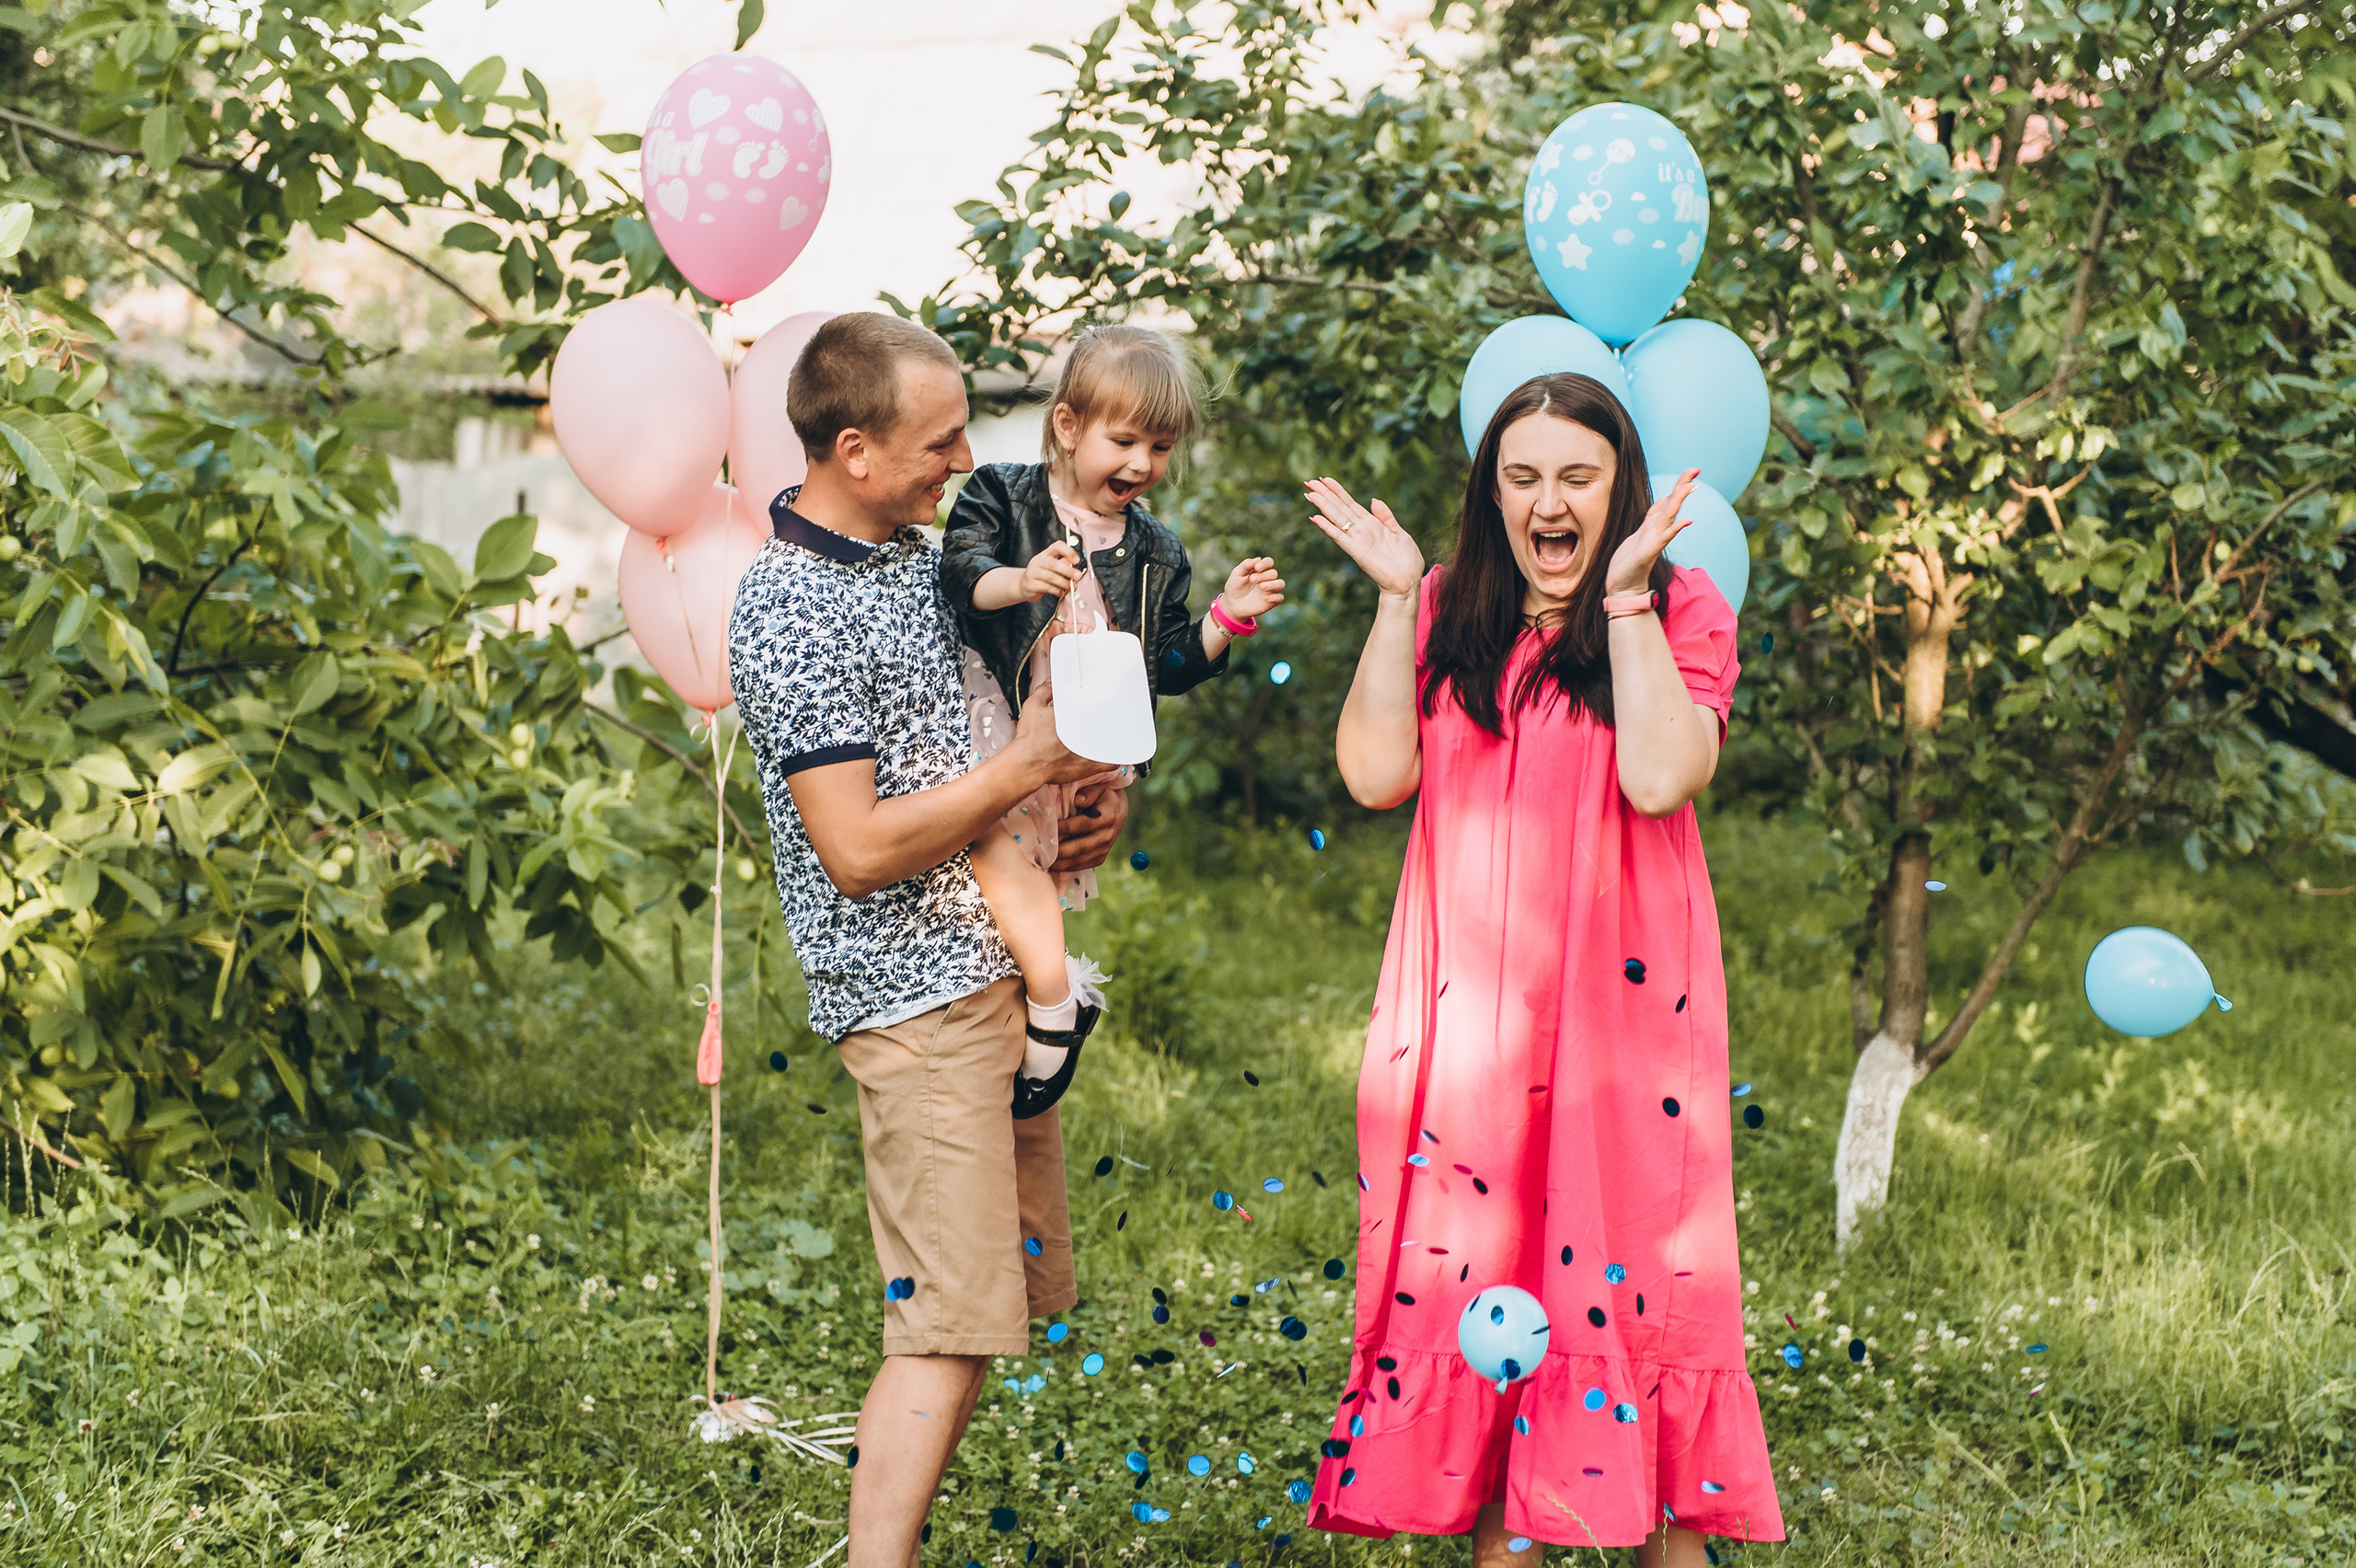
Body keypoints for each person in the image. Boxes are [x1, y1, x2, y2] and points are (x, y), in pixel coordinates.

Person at [1299, 373, 1784, 1565]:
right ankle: (1513, 1525)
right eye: (1524, 477)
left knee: (1639, 1294)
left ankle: (1656, 1520)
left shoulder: (1679, 609)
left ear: (1617, 489)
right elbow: (1373, 774)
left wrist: (1622, 607)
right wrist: (1393, 598)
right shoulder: (1451, 608)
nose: (1549, 501)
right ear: (1493, 492)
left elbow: (1662, 777)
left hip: (1627, 1029)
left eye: (1577, 476)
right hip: (1472, 1030)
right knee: (1489, 1288)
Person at [726, 312, 1123, 1568]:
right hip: (911, 1002)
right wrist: (1020, 765)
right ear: (852, 447)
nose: (961, 463)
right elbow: (855, 847)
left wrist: (1062, 781)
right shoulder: (786, 608)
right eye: (937, 442)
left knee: (991, 1307)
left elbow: (976, 734)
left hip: (990, 967)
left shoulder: (908, 556)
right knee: (945, 1325)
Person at [941, 324, 1285, 1116]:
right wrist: (1019, 579)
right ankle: (1058, 1007)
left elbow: (1164, 664)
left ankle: (1042, 1011)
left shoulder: (1156, 549)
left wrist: (1224, 621)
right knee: (996, 858)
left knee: (1022, 877)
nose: (1141, 464)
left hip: (1088, 748)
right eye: (1123, 440)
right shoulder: (1002, 494)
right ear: (1068, 427)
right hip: (1005, 724)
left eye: (1160, 448)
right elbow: (960, 577)